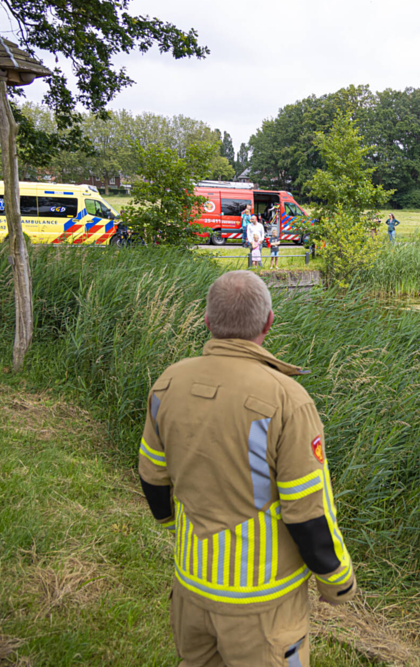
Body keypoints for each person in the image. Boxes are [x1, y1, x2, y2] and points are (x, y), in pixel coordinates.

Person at [138, 271, 357, 667]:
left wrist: (173, 524)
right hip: (262, 603)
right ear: (269, 323)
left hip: (190, 587)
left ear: (207, 321)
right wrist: (337, 581)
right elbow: (307, 511)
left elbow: (153, 477)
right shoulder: (288, 399)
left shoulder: (168, 382)